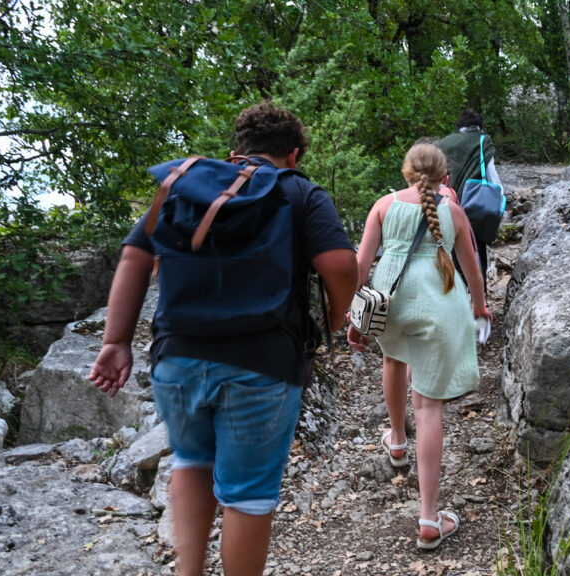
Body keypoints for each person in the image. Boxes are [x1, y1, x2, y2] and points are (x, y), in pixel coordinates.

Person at [89, 102, 357, 576]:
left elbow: (134, 257)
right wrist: (334, 320)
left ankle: (188, 570)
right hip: (264, 363)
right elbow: (338, 265)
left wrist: (116, 342)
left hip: (177, 358)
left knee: (192, 461)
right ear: (293, 155)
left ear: (235, 153)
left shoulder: (185, 183)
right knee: (249, 495)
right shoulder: (301, 193)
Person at [347, 143, 491, 550]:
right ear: (446, 178)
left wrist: (352, 313)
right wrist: (480, 307)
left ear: (406, 172)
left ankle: (396, 441)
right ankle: (429, 520)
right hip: (438, 308)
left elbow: (360, 265)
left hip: (391, 303)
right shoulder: (452, 211)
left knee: (393, 357)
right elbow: (472, 268)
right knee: (428, 407)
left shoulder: (383, 205)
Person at [434, 110, 503, 293]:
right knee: (474, 255)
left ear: (459, 127)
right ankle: (477, 305)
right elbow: (492, 176)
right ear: (480, 126)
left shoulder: (441, 144)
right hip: (472, 210)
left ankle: (450, 297)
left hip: (442, 205)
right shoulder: (482, 141)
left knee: (446, 252)